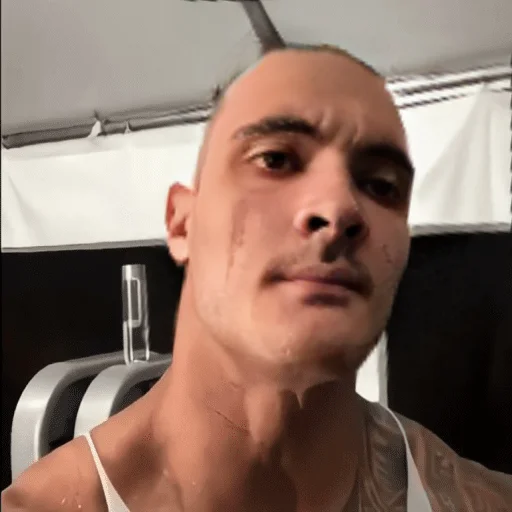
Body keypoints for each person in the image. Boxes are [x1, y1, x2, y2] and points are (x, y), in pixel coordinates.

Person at [2, 45, 511, 512]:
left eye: (380, 184)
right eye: (275, 160)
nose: (340, 208)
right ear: (183, 223)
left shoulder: (468, 498)